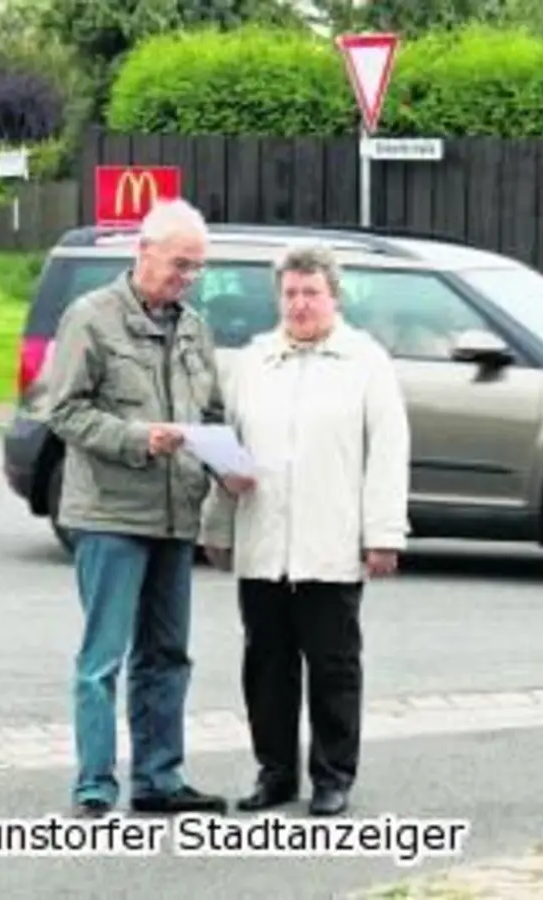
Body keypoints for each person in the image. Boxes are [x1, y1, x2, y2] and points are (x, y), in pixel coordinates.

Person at [199, 242, 411, 817]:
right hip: (264, 543)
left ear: (333, 296)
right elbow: (229, 451)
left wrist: (383, 533)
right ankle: (275, 773)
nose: (299, 304)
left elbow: (387, 452)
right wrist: (217, 529)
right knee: (266, 665)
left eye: (310, 292)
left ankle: (333, 775)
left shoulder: (365, 362)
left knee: (333, 666)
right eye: (290, 293)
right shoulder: (255, 360)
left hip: (331, 543)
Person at [35, 198, 229, 819]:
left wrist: (227, 461)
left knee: (167, 655)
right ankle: (95, 786)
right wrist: (137, 438)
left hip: (175, 515)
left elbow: (213, 412)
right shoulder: (90, 318)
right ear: (143, 251)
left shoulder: (196, 328)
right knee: (103, 659)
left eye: (197, 268)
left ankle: (159, 780)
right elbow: (63, 412)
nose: (188, 278)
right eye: (180, 264)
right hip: (111, 515)